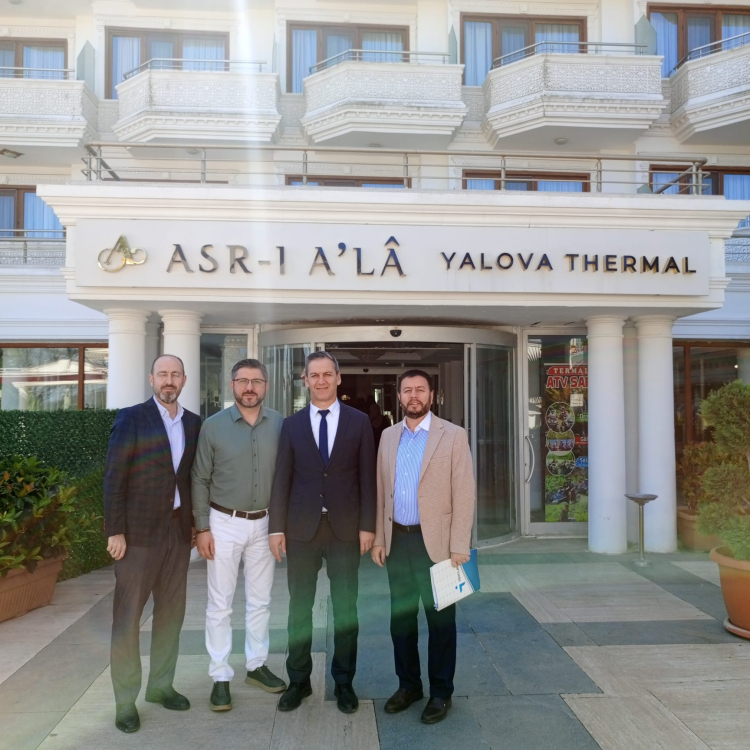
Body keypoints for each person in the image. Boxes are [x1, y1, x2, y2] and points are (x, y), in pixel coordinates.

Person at [269, 351, 376, 714]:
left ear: (338, 378)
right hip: (302, 530)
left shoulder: (359, 422)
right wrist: (276, 528)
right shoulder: (292, 425)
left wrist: (368, 526)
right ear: (305, 380)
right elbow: (282, 479)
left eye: (327, 374)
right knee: (299, 609)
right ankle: (298, 681)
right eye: (314, 375)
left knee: (346, 610)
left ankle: (344, 683)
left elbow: (367, 477)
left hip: (345, 530)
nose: (321, 381)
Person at [371, 369, 475, 725]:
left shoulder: (453, 435)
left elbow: (464, 494)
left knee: (441, 623)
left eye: (420, 389)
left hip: (439, 546)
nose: (413, 395)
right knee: (400, 621)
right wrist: (380, 538)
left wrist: (460, 544)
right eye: (407, 390)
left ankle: (441, 692)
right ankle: (409, 685)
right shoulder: (388, 436)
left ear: (432, 395)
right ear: (399, 396)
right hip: (397, 541)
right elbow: (381, 491)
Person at [104, 354, 201, 734]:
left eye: (175, 374)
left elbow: (190, 478)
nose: (169, 380)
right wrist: (115, 530)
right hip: (138, 536)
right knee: (127, 618)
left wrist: (194, 525)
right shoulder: (132, 418)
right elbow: (114, 476)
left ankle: (161, 686)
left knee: (171, 614)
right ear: (151, 379)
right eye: (163, 374)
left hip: (177, 533)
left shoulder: (192, 423)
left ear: (184, 380)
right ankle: (125, 701)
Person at [191, 358, 286, 712]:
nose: (249, 387)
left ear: (266, 386)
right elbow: (200, 478)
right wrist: (202, 528)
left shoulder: (280, 423)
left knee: (261, 600)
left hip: (266, 523)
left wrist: (282, 525)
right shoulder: (213, 426)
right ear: (232, 385)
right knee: (220, 604)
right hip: (223, 522)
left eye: (256, 381)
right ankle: (220, 675)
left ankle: (256, 665)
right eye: (243, 381)